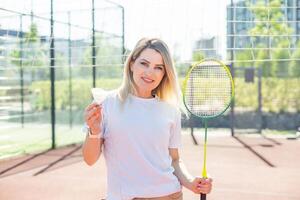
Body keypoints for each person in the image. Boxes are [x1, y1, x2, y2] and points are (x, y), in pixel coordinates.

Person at [82, 38, 212, 200]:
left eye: (158, 68)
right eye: (144, 63)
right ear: (131, 64)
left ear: (165, 73)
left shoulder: (170, 110)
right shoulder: (106, 104)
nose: (150, 72)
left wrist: (192, 182)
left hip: (168, 195)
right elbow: (89, 159)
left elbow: (174, 160)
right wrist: (94, 131)